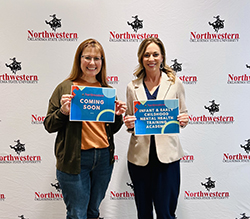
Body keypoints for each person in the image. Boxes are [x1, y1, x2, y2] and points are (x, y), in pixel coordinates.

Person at [43, 39, 127, 219]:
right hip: (75, 160)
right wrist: (63, 112)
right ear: (79, 59)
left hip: (104, 159)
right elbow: (49, 124)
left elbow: (111, 130)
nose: (92, 63)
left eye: (97, 58)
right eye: (87, 57)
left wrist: (118, 115)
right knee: (77, 213)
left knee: (93, 212)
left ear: (102, 62)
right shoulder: (66, 87)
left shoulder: (107, 90)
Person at [124, 37, 189, 219]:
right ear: (141, 58)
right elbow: (131, 121)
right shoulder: (132, 87)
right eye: (146, 55)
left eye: (155, 54)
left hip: (167, 158)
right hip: (139, 158)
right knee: (143, 213)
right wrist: (129, 124)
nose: (151, 59)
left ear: (162, 57)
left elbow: (183, 114)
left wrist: (184, 119)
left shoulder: (174, 83)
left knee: (166, 213)